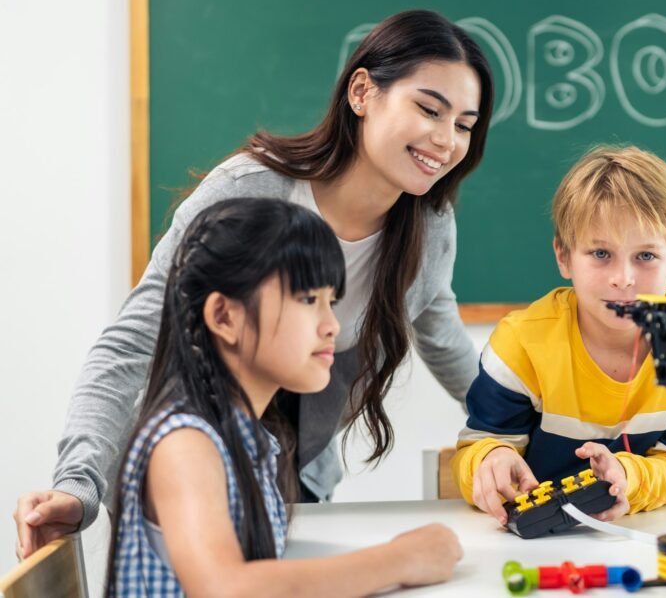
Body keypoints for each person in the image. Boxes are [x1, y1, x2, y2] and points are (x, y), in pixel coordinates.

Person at [15, 8, 494, 559]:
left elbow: (447, 345)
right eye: (429, 109)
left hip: (295, 481)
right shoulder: (251, 189)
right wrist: (80, 482)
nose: (446, 139)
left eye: (464, 124)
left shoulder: (428, 229)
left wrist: (523, 436)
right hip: (191, 480)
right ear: (362, 92)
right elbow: (134, 340)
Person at [105, 197, 462, 596]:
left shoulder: (248, 437)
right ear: (224, 316)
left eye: (333, 301)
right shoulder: (185, 444)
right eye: (309, 300)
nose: (331, 325)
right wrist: (400, 560)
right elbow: (225, 589)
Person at [451, 145, 666, 524]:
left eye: (646, 256)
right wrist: (490, 459)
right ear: (563, 257)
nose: (623, 278)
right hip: (532, 544)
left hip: (637, 538)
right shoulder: (523, 343)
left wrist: (629, 478)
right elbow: (476, 448)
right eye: (601, 254)